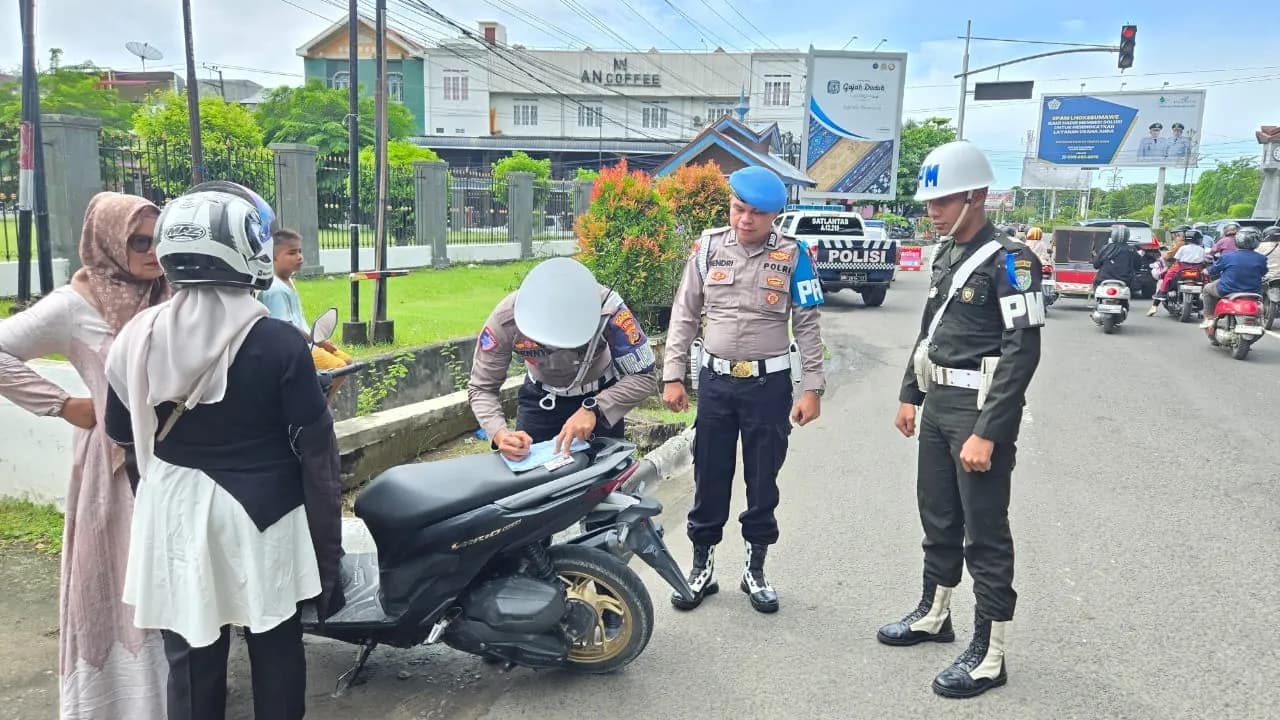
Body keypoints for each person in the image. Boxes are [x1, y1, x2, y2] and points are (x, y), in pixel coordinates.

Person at [104, 184, 344, 720]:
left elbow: (122, 432)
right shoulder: (279, 341)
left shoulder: (135, 338)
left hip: (173, 509)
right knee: (275, 644)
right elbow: (315, 445)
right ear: (247, 253)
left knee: (191, 653)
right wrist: (326, 540)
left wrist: (160, 495)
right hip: (264, 517)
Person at [881, 141, 1043, 699]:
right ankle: (935, 613)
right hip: (938, 404)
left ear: (976, 196)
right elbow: (929, 330)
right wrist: (909, 393)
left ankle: (990, 654)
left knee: (985, 531)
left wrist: (988, 432)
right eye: (930, 202)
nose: (933, 212)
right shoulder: (947, 254)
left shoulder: (1013, 261)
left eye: (943, 201)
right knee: (938, 516)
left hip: (979, 411)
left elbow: (1021, 352)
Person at [0, 192, 170, 719]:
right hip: (114, 469)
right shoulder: (75, 304)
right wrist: (62, 404)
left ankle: (178, 695)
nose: (152, 252)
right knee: (118, 575)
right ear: (109, 242)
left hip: (177, 458)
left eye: (159, 239)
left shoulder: (172, 292)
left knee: (172, 578)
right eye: (138, 241)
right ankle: (126, 703)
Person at [662, 166, 825, 615]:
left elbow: (808, 324)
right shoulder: (707, 250)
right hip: (716, 383)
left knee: (762, 478)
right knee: (709, 475)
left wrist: (812, 387)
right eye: (738, 209)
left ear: (775, 216)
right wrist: (673, 375)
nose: (745, 220)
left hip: (768, 386)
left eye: (756, 213)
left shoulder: (795, 256)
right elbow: (684, 314)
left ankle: (755, 570)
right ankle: (701, 568)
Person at [467, 256, 657, 459]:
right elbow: (482, 387)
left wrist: (597, 408)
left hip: (601, 395)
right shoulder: (506, 320)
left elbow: (643, 377)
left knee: (605, 473)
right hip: (540, 402)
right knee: (532, 474)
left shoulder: (609, 310)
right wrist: (500, 434)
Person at [259, 229, 353, 372]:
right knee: (338, 368)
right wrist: (316, 341)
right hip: (294, 348)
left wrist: (320, 341)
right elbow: (286, 328)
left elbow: (298, 322)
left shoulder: (288, 281)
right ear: (274, 257)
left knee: (347, 361)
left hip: (306, 343)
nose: (299, 257)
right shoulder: (275, 289)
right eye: (292, 253)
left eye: (300, 251)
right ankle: (317, 388)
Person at [1200, 227, 1268, 331]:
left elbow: (1214, 270)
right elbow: (1263, 272)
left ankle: (1208, 318)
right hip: (1253, 291)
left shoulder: (1228, 256)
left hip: (1227, 289)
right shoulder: (1261, 258)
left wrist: (1206, 271)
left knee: (1207, 289)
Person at [1149, 228, 1208, 315]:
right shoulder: (1201, 249)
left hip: (1182, 269)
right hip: (1197, 270)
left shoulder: (1181, 246)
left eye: (1177, 235)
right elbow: (1204, 260)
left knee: (1168, 276)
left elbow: (1176, 258)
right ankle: (1206, 295)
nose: (1176, 237)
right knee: (1206, 279)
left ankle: (1161, 294)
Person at [1091, 225, 1142, 299]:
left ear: (1113, 235)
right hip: (1125, 281)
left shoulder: (1106, 248)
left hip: (1103, 279)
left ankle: (1097, 299)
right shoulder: (1132, 250)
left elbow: (1096, 265)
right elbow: (1138, 266)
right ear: (1127, 236)